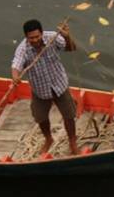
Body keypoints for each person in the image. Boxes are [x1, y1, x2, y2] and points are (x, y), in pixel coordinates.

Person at [11, 18, 78, 155]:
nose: (35, 40)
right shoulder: (23, 48)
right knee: (40, 117)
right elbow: (16, 64)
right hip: (40, 90)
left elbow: (71, 48)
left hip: (59, 84)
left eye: (37, 36)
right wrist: (15, 76)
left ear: (42, 33)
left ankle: (72, 141)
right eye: (31, 38)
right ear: (26, 37)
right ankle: (48, 139)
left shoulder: (52, 38)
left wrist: (66, 36)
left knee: (69, 115)